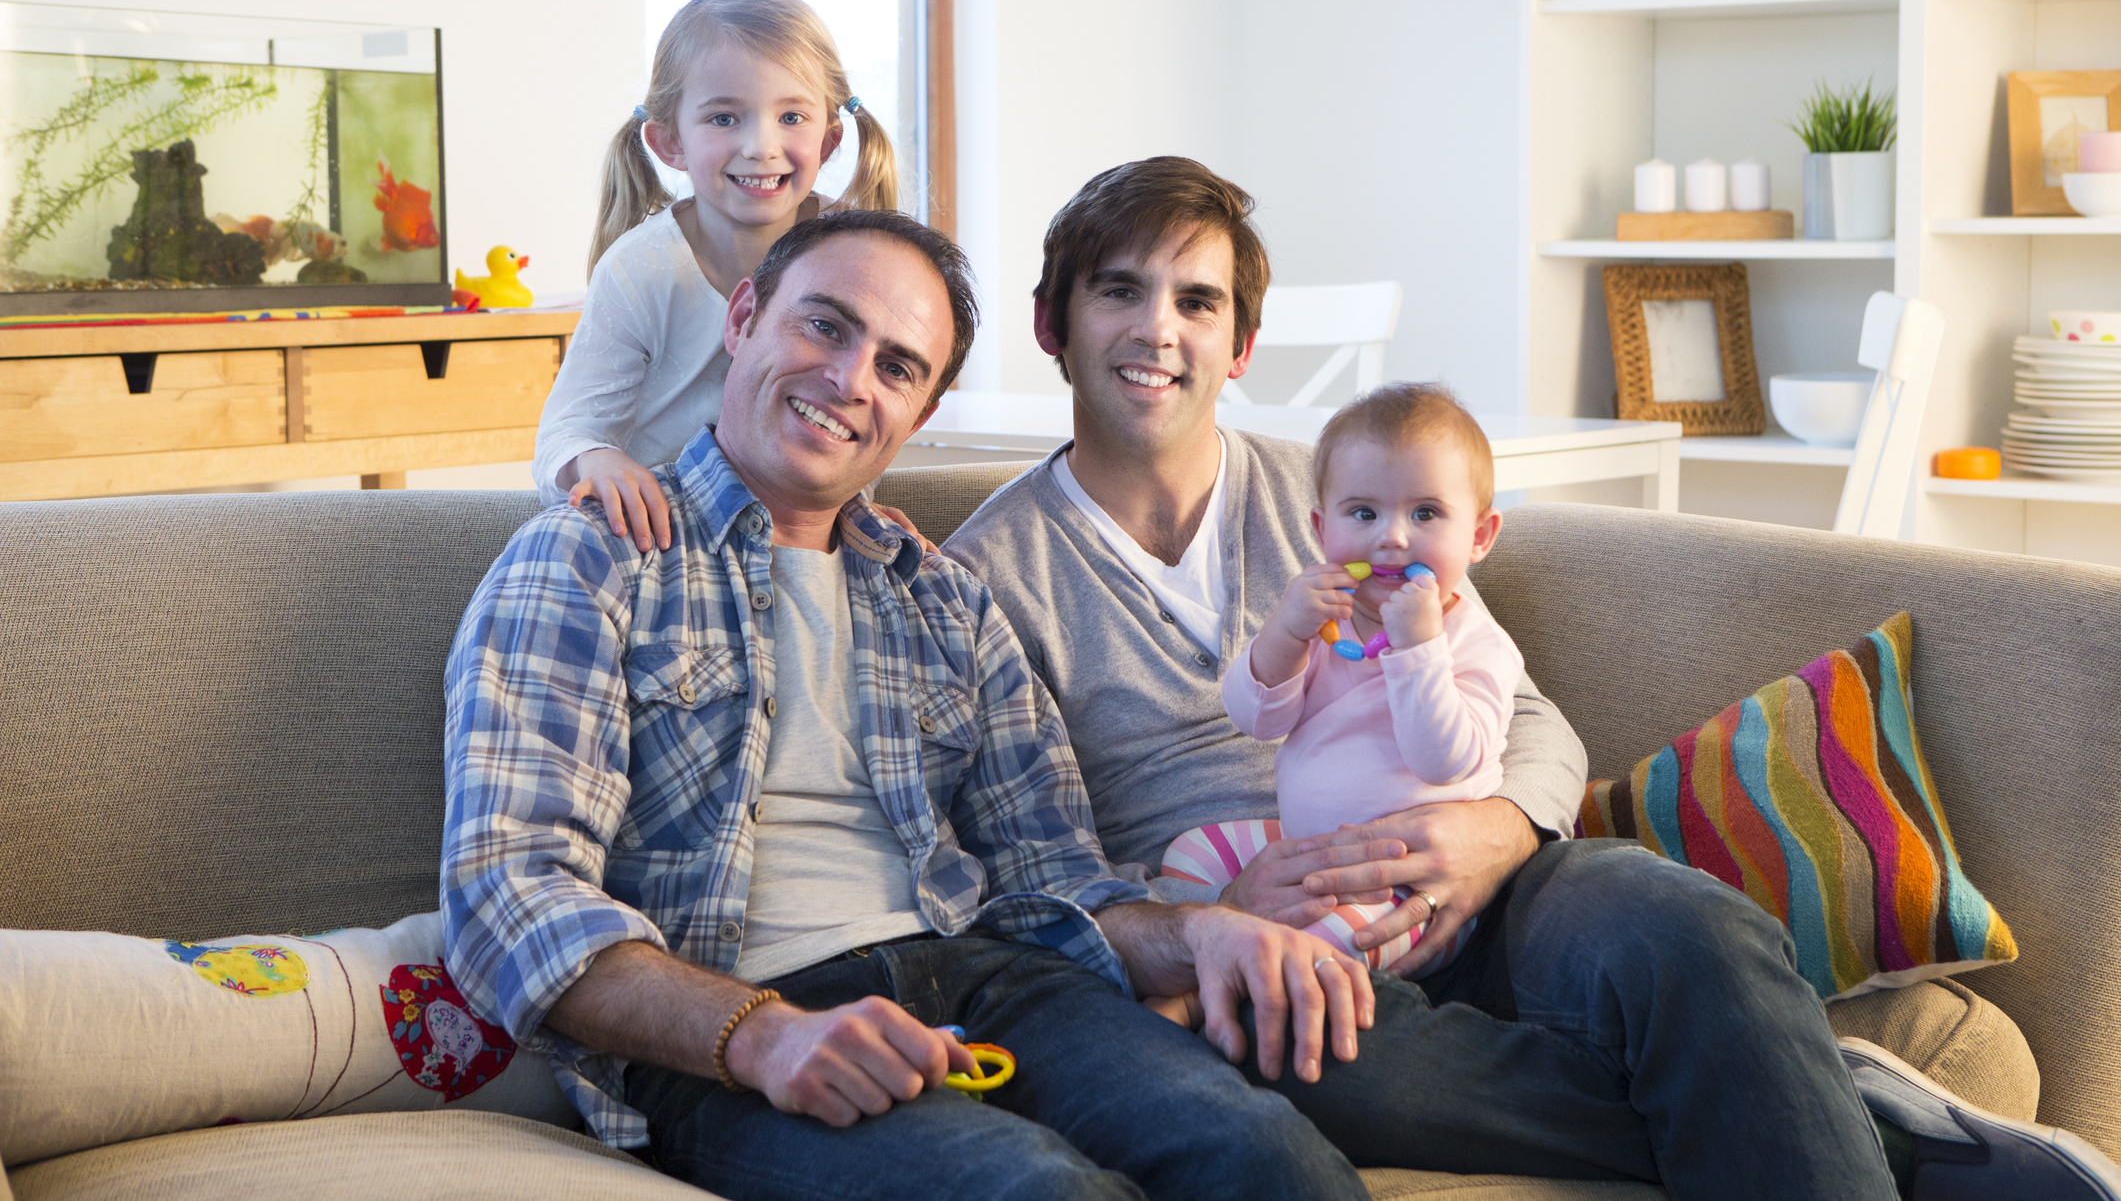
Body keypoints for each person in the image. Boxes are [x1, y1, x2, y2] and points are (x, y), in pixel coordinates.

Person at [945, 155, 2115, 1201]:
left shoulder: (1353, 484)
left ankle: (1776, 1069)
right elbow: (1035, 870)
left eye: (1197, 300)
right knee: (1315, 1062)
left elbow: (1527, 712)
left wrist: (1499, 829)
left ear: (1240, 346)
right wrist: (1201, 931)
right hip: (1279, 941)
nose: (1161, 329)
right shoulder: (988, 575)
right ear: (1052, 322)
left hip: (1489, 878)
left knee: (1684, 924)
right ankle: (1857, 1119)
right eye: (1120, 290)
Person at [442, 208, 1386, 1201]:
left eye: (898, 367)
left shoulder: (944, 595)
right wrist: (760, 1035)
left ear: (922, 411)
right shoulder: (592, 555)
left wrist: (1199, 932)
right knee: (1036, 1191)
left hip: (998, 983)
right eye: (826, 326)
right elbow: (509, 893)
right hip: (743, 1024)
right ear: (745, 316)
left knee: (1266, 1156)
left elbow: (1052, 879)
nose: (850, 381)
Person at [1158, 383, 1519, 983]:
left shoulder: (1476, 643)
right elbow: (1256, 718)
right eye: (1364, 513)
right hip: (1308, 846)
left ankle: (1205, 997)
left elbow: (1443, 760)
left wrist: (1419, 648)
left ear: (1479, 536)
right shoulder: (1328, 622)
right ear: (1323, 530)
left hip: (1406, 883)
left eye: (1425, 513)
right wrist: (1285, 633)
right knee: (1190, 856)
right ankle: (1227, 966)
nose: (1393, 537)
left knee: (1321, 947)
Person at [531, 0, 902, 552]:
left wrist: (855, 511)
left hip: (791, 539)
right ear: (669, 142)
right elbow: (563, 435)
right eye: (725, 117)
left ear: (829, 141)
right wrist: (598, 460)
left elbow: (855, 404)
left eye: (792, 116)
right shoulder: (642, 271)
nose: (760, 145)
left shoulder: (852, 258)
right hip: (662, 542)